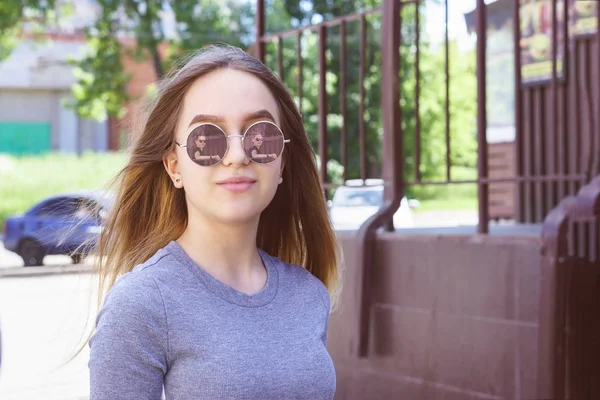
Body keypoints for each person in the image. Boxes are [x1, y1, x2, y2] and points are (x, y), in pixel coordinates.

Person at [87, 44, 342, 400]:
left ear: (281, 162)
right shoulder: (142, 304)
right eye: (206, 138)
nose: (237, 156)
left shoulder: (308, 295)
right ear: (174, 166)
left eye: (260, 135)